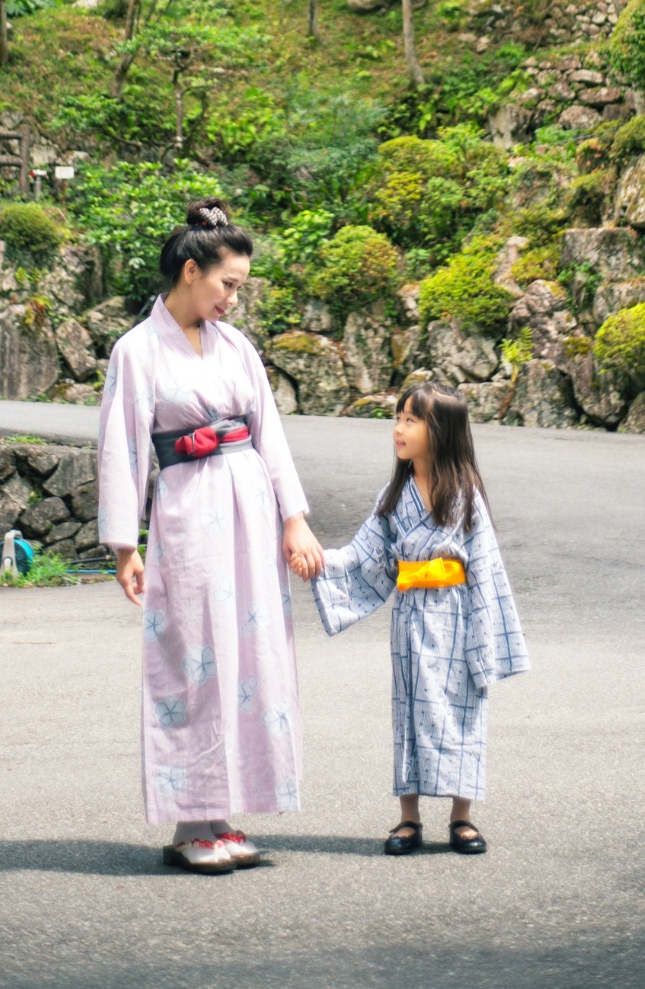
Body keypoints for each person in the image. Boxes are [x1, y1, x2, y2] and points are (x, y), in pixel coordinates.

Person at [97, 199, 325, 873]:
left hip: (249, 506)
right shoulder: (137, 351)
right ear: (191, 271)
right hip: (188, 510)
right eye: (228, 284)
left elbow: (270, 432)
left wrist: (294, 516)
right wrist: (125, 545)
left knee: (248, 658)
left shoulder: (236, 347)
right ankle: (189, 820)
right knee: (194, 655)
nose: (234, 299)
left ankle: (220, 814)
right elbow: (122, 447)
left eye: (241, 288)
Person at [311, 379, 528, 857]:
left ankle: (462, 816)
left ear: (441, 431)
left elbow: (486, 568)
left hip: (457, 615)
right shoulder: (394, 493)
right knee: (409, 709)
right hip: (411, 620)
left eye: (411, 420)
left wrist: (487, 636)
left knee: (462, 709)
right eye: (399, 418)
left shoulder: (465, 493)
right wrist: (319, 560)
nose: (399, 428)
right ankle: (409, 817)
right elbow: (363, 552)